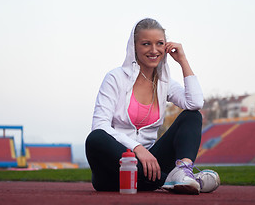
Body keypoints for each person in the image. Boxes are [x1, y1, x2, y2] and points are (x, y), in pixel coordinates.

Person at [85, 18, 204, 194]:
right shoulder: (115, 78)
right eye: (146, 44)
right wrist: (137, 148)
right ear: (134, 47)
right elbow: (100, 125)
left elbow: (195, 103)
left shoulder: (165, 83)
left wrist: (182, 60)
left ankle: (183, 173)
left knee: (192, 116)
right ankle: (172, 181)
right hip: (115, 168)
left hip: (150, 166)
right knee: (95, 138)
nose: (154, 50)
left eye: (159, 43)